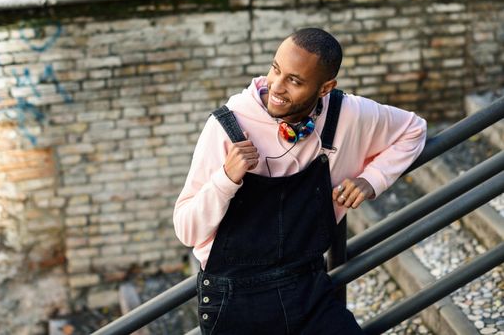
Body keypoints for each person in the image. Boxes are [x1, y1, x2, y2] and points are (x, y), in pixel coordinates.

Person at [173, 28, 427, 334]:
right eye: (275, 69)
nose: (276, 87)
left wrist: (372, 179)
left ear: (325, 88)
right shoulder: (227, 125)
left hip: (307, 289)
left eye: (294, 81)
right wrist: (225, 179)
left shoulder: (344, 113)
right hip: (235, 300)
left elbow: (413, 129)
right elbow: (187, 229)